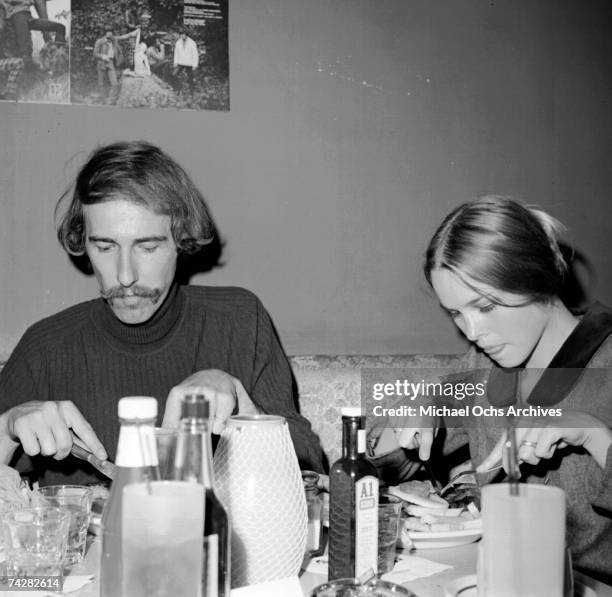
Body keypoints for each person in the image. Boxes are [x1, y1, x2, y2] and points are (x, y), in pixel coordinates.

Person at [0, 140, 324, 486]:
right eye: (105, 246)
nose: (125, 275)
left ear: (181, 240)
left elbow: (312, 472)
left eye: (148, 246)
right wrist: (5, 429)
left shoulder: (241, 321)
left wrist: (243, 407)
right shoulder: (46, 347)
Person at [370, 196, 612, 583]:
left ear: (538, 276)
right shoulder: (484, 366)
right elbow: (388, 462)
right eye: (455, 313)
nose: (471, 332)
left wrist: (591, 431)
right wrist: (420, 404)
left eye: (484, 306)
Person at [3, 0, 66, 70]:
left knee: (60, 27)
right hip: (17, 17)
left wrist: (47, 38)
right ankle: (31, 73)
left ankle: (57, 59)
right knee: (26, 55)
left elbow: (39, 3)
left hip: (28, 16)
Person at [93, 29, 121, 104]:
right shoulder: (99, 41)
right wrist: (102, 56)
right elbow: (95, 53)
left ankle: (112, 100)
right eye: (108, 33)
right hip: (102, 62)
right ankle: (103, 100)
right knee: (101, 83)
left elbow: (123, 37)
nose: (110, 35)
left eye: (111, 33)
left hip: (110, 62)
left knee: (114, 83)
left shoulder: (114, 40)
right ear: (105, 33)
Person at [173, 29, 198, 102]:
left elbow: (195, 54)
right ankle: (178, 88)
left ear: (186, 35)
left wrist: (195, 64)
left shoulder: (192, 43)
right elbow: (176, 53)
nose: (182, 36)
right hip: (181, 62)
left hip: (189, 63)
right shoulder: (178, 42)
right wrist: (175, 62)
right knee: (174, 74)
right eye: (181, 34)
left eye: (183, 34)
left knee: (190, 78)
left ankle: (192, 92)